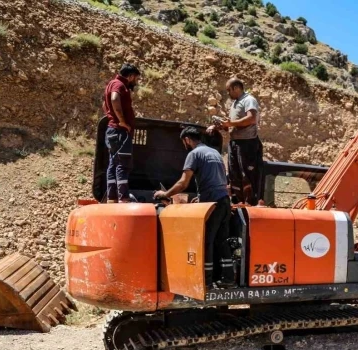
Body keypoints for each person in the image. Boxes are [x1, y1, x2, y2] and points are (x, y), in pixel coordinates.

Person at [154, 127, 235, 288]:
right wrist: (203, 195)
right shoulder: (215, 153)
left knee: (207, 240)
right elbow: (218, 181)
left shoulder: (194, 154)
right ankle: (228, 279)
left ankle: (207, 281)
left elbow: (183, 183)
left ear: (187, 140)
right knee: (222, 241)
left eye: (184, 142)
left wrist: (165, 194)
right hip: (224, 201)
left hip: (212, 203)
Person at [207, 78, 263, 205]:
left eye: (229, 90)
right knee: (234, 174)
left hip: (247, 143)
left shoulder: (249, 100)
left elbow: (251, 119)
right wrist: (221, 125)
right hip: (235, 143)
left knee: (247, 175)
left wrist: (230, 123)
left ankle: (250, 204)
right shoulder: (235, 104)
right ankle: (238, 202)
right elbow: (232, 125)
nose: (228, 93)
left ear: (236, 88)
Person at [102, 63, 140, 203]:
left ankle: (112, 198)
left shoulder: (111, 83)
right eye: (135, 78)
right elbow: (114, 99)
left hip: (113, 130)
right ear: (130, 76)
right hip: (120, 132)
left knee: (113, 164)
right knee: (122, 165)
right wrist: (122, 121)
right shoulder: (119, 85)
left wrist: (111, 117)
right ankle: (123, 198)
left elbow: (104, 104)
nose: (136, 81)